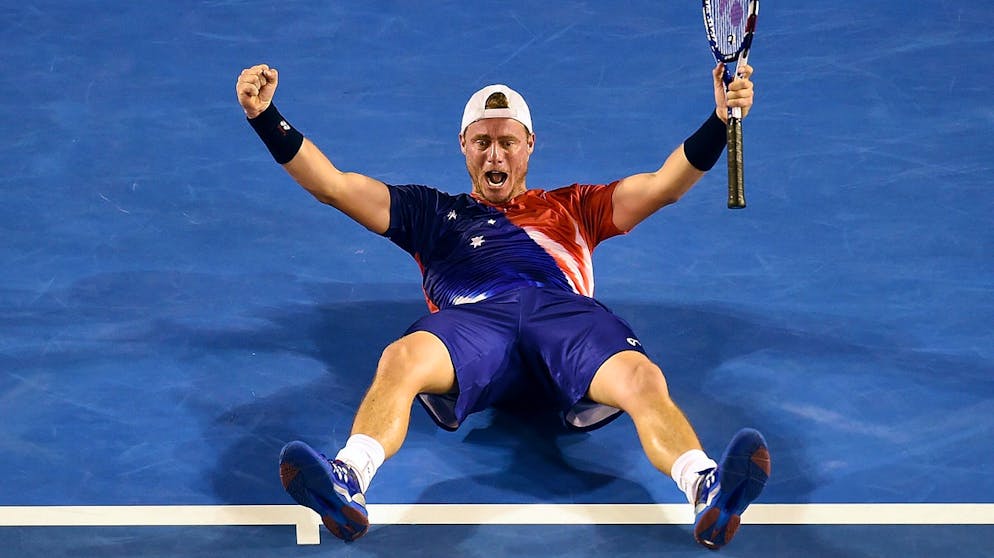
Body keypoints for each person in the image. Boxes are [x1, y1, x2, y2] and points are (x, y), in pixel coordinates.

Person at [236, 60, 770, 550]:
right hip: (475, 323)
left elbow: (663, 187)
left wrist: (719, 120)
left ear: (529, 145)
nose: (495, 155)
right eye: (483, 142)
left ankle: (703, 483)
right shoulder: (429, 212)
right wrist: (266, 118)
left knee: (640, 376)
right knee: (401, 359)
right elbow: (333, 186)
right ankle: (348, 477)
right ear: (463, 146)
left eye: (507, 142)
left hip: (561, 318)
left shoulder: (575, 207)